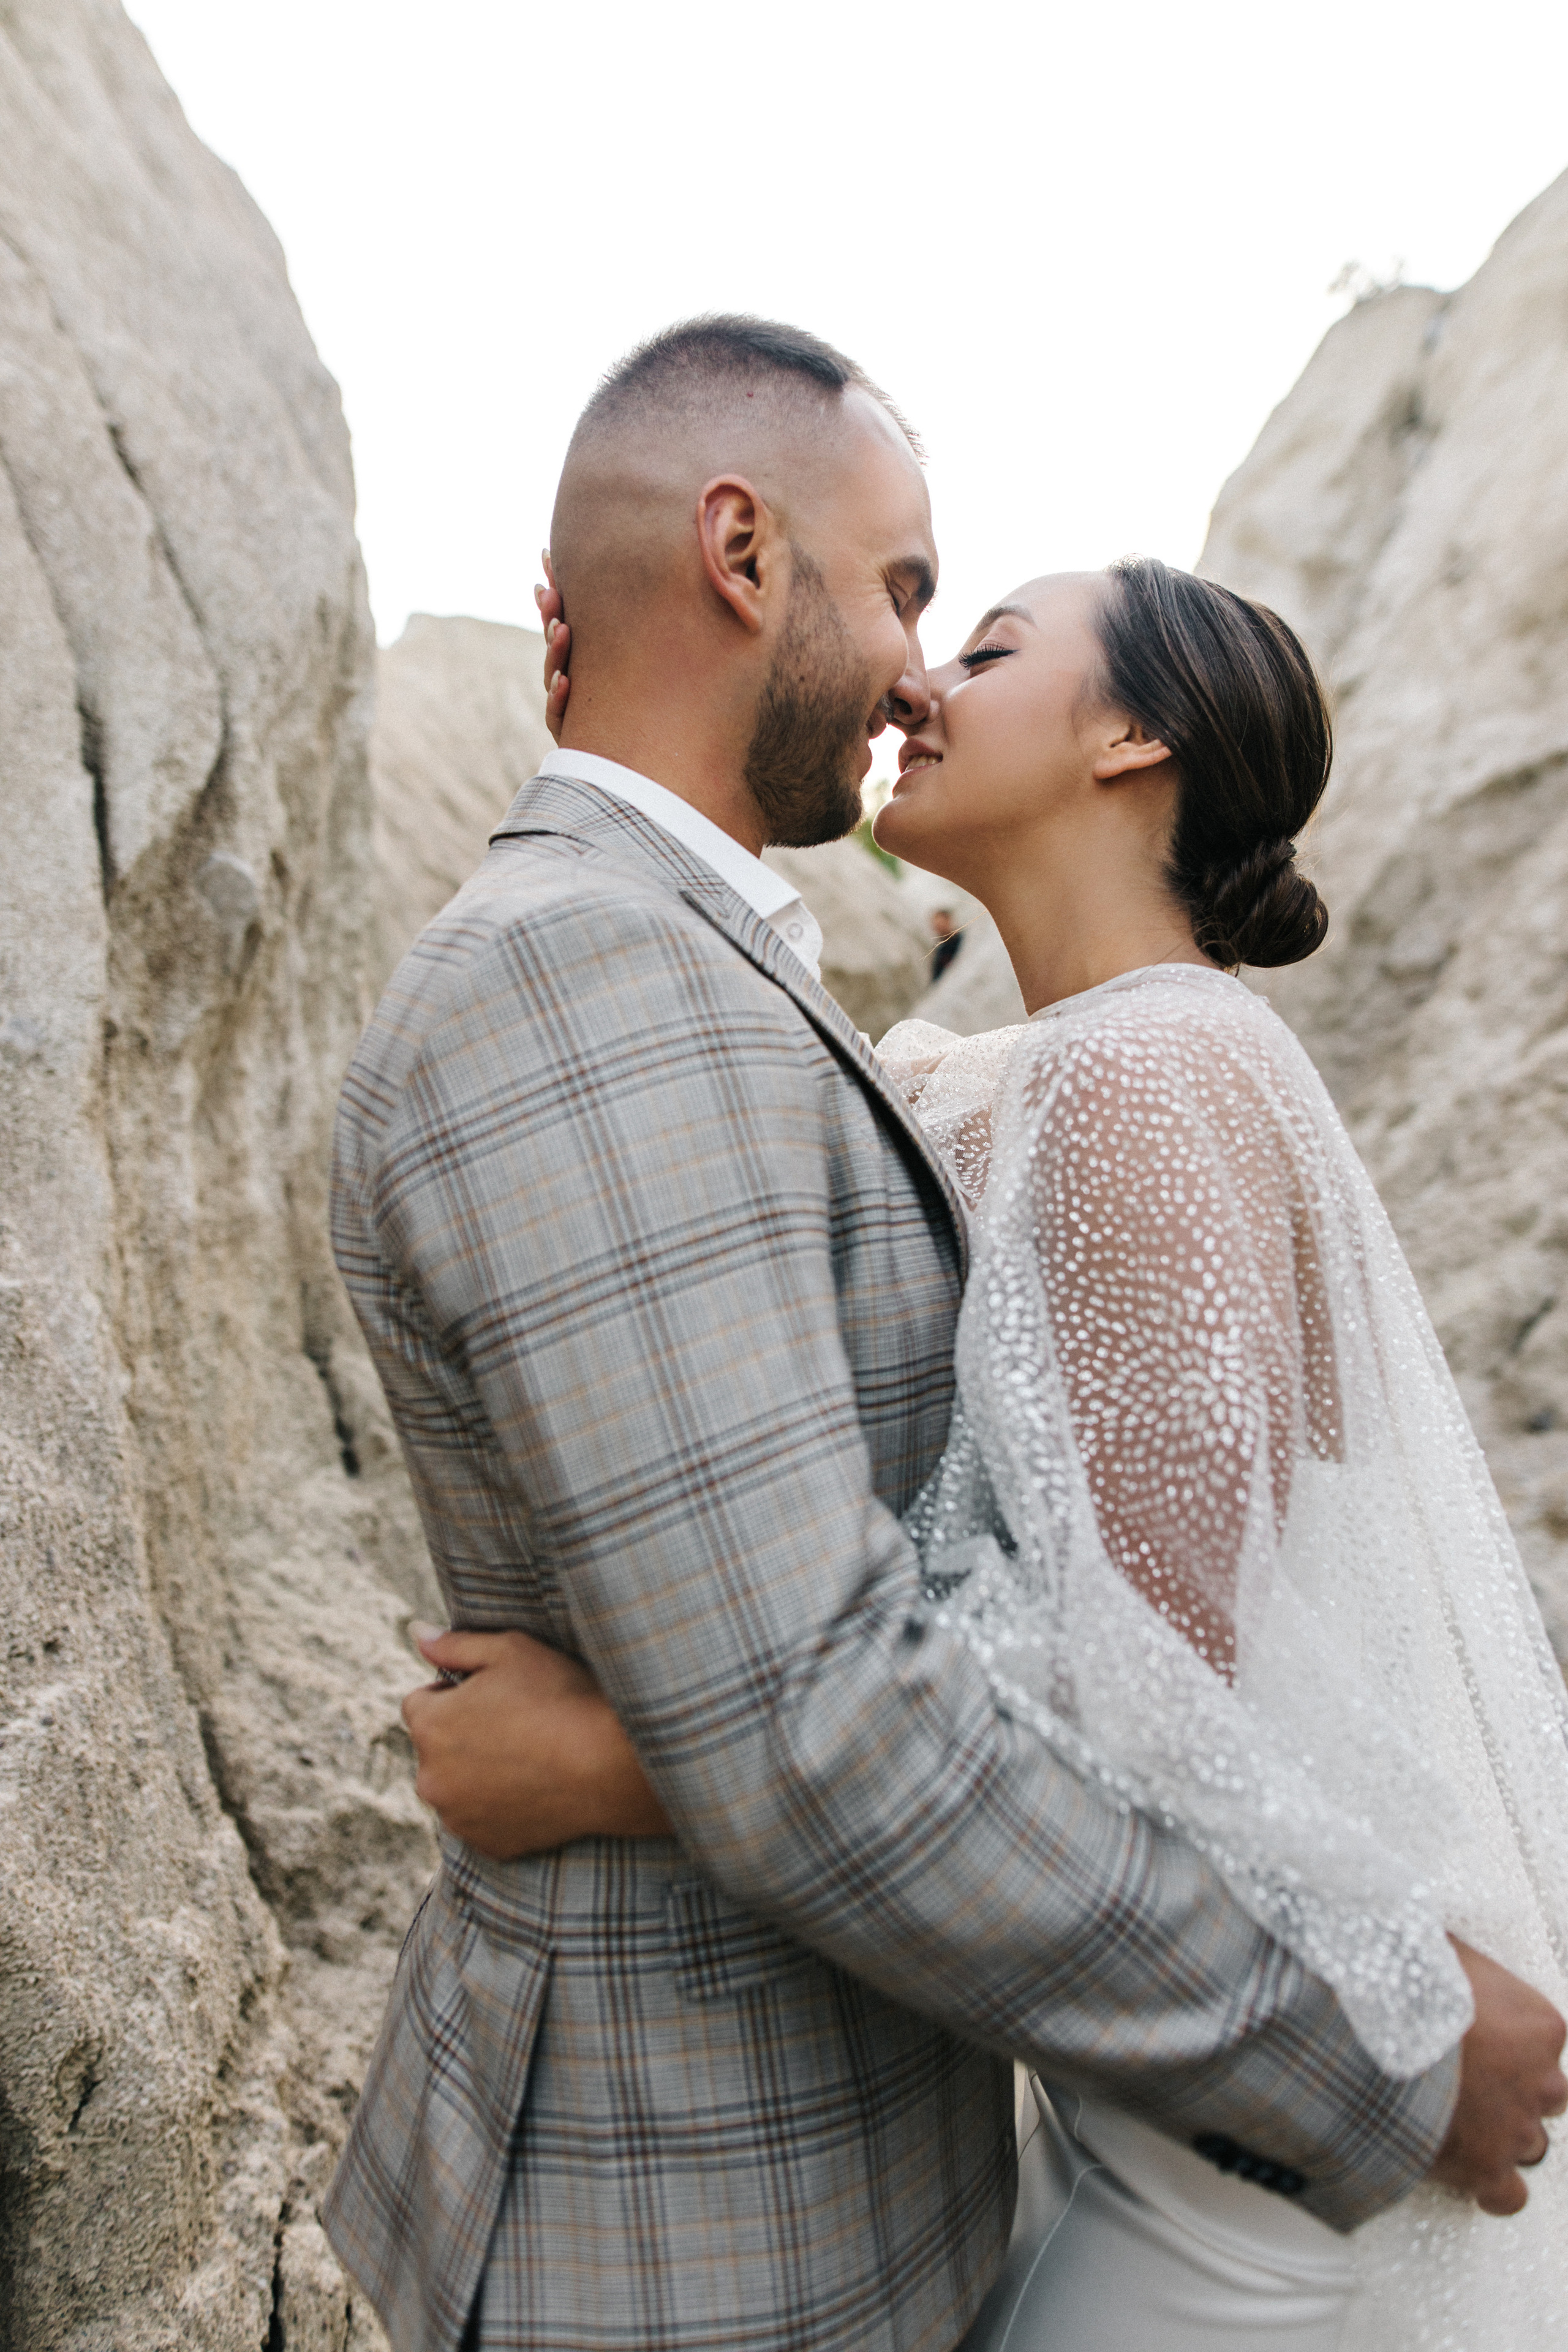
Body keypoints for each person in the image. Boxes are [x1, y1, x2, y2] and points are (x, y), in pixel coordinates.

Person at [324, 317, 1563, 2352]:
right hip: (691, 2227)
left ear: (1127, 748)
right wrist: (1381, 2048)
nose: (917, 667)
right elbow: (818, 1719)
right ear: (741, 552)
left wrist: (643, 1754)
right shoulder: (600, 983)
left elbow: (1133, 1659)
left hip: (1015, 2155)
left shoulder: (1108, 1073)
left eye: (972, 634)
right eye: (917, 595)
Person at [929, 903, 963, 982]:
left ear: (949, 920)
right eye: (936, 926)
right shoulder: (940, 949)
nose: (937, 928)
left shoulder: (960, 940)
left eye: (940, 924)